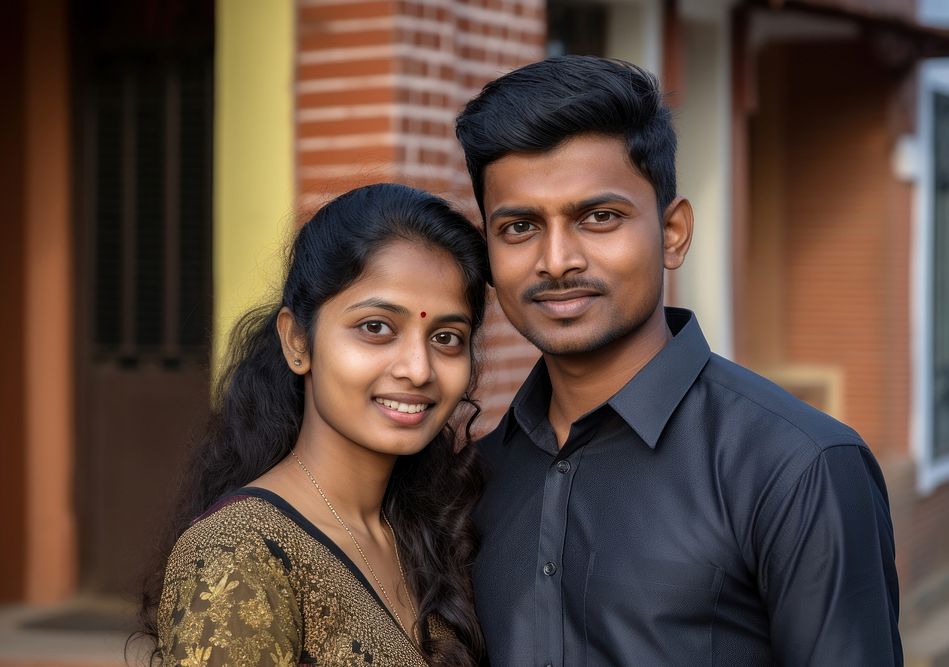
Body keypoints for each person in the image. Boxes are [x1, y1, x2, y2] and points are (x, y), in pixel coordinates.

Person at [456, 56, 903, 666]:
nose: (556, 259)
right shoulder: (477, 475)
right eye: (519, 226)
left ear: (672, 233)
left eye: (599, 217)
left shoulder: (797, 468)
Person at [137, 183, 488, 666]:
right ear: (297, 341)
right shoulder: (237, 558)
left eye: (447, 337)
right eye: (376, 327)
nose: (419, 368)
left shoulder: (425, 527)